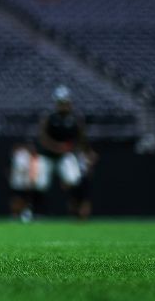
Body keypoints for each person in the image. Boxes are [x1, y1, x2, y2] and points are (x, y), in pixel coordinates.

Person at [34, 85, 90, 218]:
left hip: (65, 155)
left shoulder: (76, 119)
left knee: (74, 180)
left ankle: (75, 209)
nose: (63, 105)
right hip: (48, 155)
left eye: (65, 102)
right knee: (40, 183)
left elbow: (81, 138)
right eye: (61, 103)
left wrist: (82, 151)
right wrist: (56, 147)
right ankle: (37, 212)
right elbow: (43, 138)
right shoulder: (49, 118)